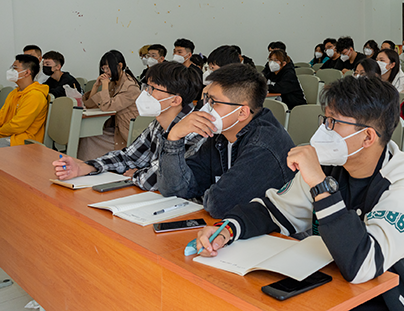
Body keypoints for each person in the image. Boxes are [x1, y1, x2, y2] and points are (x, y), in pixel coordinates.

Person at [194, 76, 404, 311]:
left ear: (367, 137)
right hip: (343, 285)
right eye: (325, 120)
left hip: (403, 298)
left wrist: (320, 185)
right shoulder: (332, 164)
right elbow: (275, 210)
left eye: (334, 123)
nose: (323, 131)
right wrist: (228, 229)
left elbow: (363, 263)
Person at [156, 64, 295, 218]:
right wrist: (174, 137)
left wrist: (207, 193)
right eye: (206, 99)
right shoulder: (221, 136)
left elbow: (219, 205)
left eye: (213, 102)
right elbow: (175, 189)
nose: (205, 108)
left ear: (242, 112)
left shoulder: (263, 144)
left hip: (275, 232)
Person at [52, 62, 205, 190]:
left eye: (152, 89)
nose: (145, 93)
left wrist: (136, 174)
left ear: (175, 100)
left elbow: (158, 180)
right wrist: (86, 167)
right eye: (146, 87)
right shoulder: (158, 124)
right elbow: (128, 157)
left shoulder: (193, 130)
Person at [79, 50, 141, 160]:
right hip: (115, 128)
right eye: (103, 69)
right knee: (85, 134)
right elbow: (90, 105)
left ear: (120, 66)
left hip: (126, 133)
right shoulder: (114, 83)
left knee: (88, 138)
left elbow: (107, 107)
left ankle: (87, 165)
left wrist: (105, 85)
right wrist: (96, 86)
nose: (105, 72)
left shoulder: (130, 87)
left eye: (107, 68)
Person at [0, 55, 48, 148]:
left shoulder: (35, 95)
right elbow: (0, 117)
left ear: (27, 72)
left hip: (22, 140)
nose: (11, 71)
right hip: (7, 134)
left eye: (15, 68)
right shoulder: (15, 93)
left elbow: (17, 125)